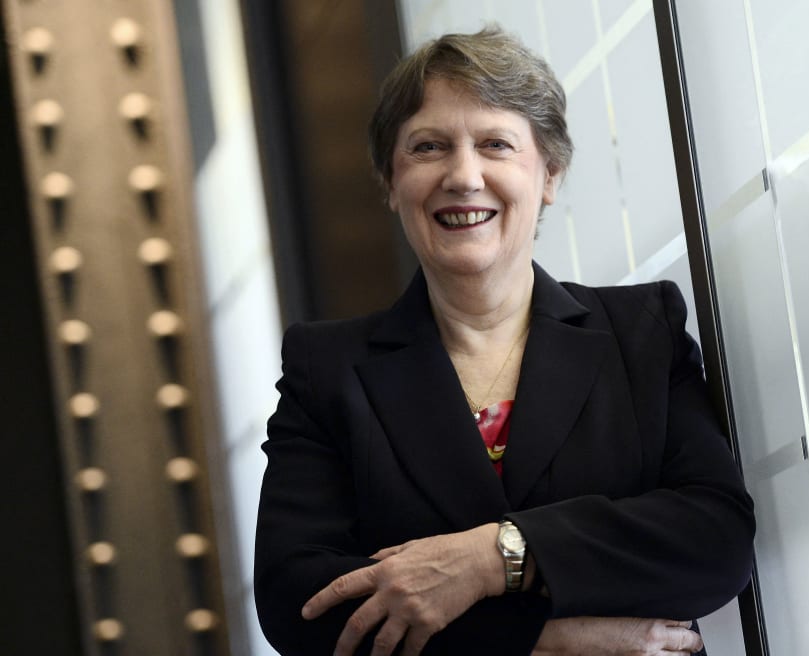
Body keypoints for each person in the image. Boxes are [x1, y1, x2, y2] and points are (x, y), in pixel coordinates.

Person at [254, 25, 755, 656]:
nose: (464, 176)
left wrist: (491, 557)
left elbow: (715, 539)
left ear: (549, 174)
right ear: (389, 182)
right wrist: (545, 641)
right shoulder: (325, 369)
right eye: (429, 147)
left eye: (495, 144)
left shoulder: (640, 331)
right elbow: (297, 602)